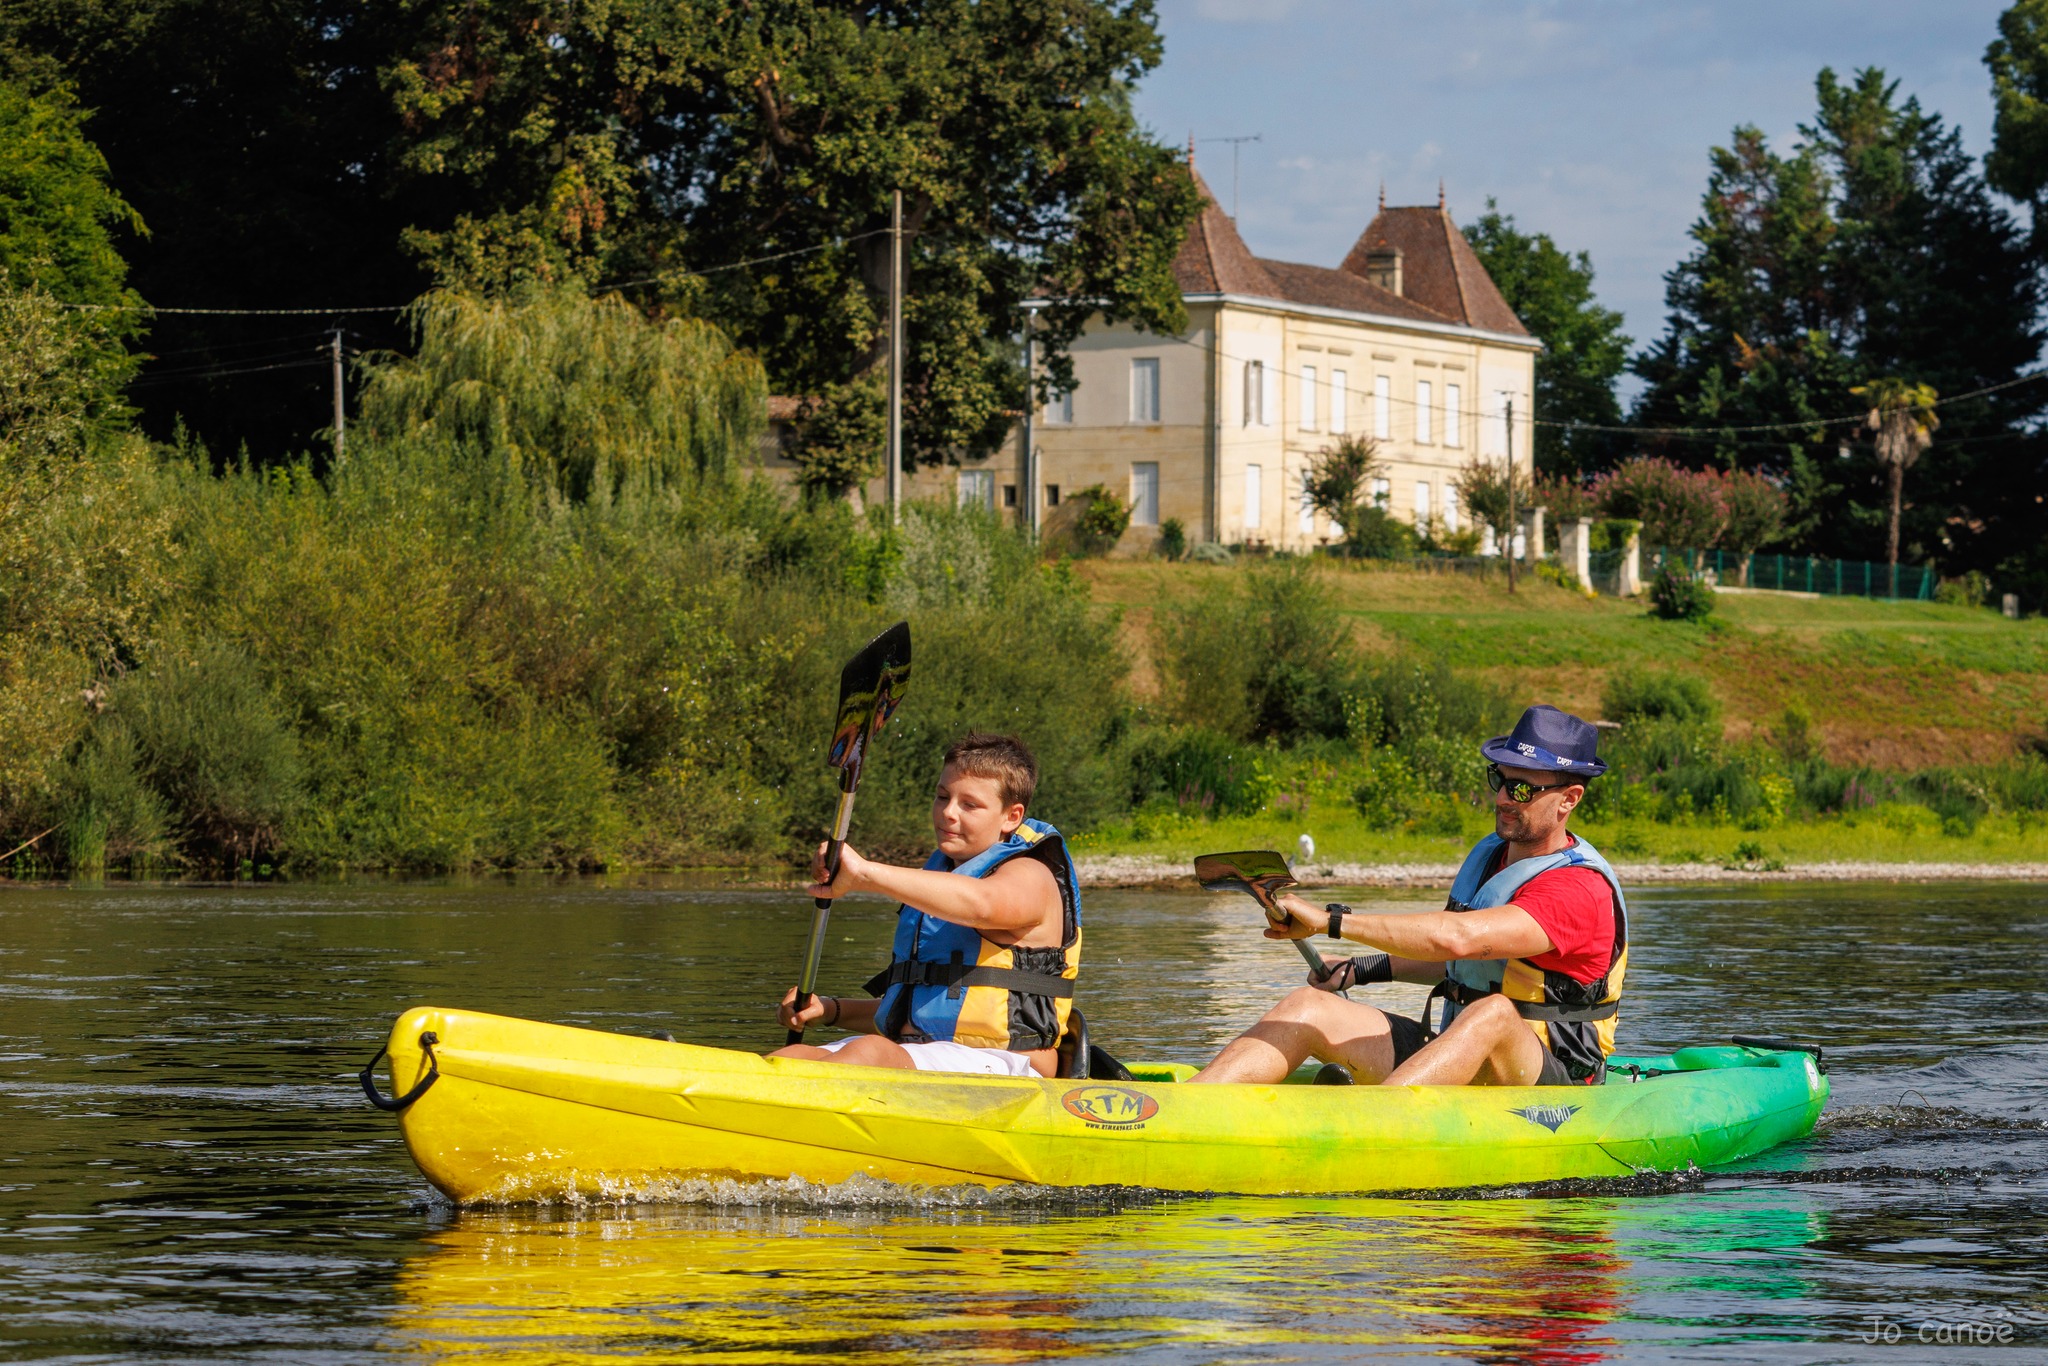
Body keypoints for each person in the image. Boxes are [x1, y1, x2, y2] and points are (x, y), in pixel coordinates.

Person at [1191, 704, 1627, 1088]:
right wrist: (1360, 970)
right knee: (1310, 1006)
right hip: (1462, 1049)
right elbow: (1461, 963)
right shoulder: (1493, 858)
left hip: (1553, 1079)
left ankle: (1374, 1123)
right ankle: (1187, 1109)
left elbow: (1459, 939)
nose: (1500, 798)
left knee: (1493, 1013)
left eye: (1521, 790)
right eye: (1499, 779)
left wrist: (1332, 921)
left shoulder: (1578, 889)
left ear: (1569, 799)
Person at [770, 732, 1082, 1078]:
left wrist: (865, 874)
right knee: (794, 1055)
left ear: (1012, 816)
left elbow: (982, 905)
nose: (948, 812)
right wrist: (831, 1010)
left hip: (1013, 1065)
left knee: (869, 1051)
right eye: (942, 796)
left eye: (969, 805)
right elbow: (924, 1005)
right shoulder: (940, 877)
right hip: (928, 1055)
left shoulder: (1030, 875)